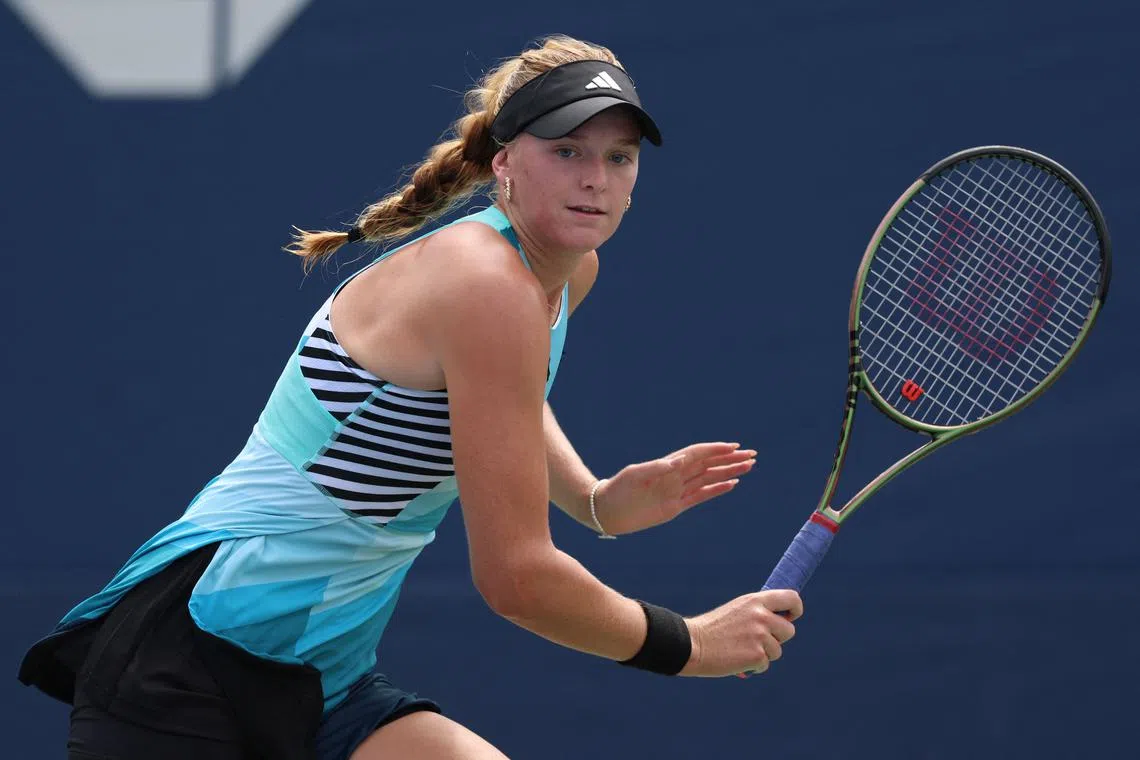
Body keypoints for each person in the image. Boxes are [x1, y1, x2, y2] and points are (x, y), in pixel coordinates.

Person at [18, 34, 803, 760]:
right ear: (504, 163)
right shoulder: (484, 282)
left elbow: (504, 398)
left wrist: (593, 500)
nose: (597, 179)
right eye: (567, 151)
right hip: (194, 657)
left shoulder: (561, 274)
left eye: (620, 156)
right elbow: (517, 581)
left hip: (318, 668)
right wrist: (690, 643)